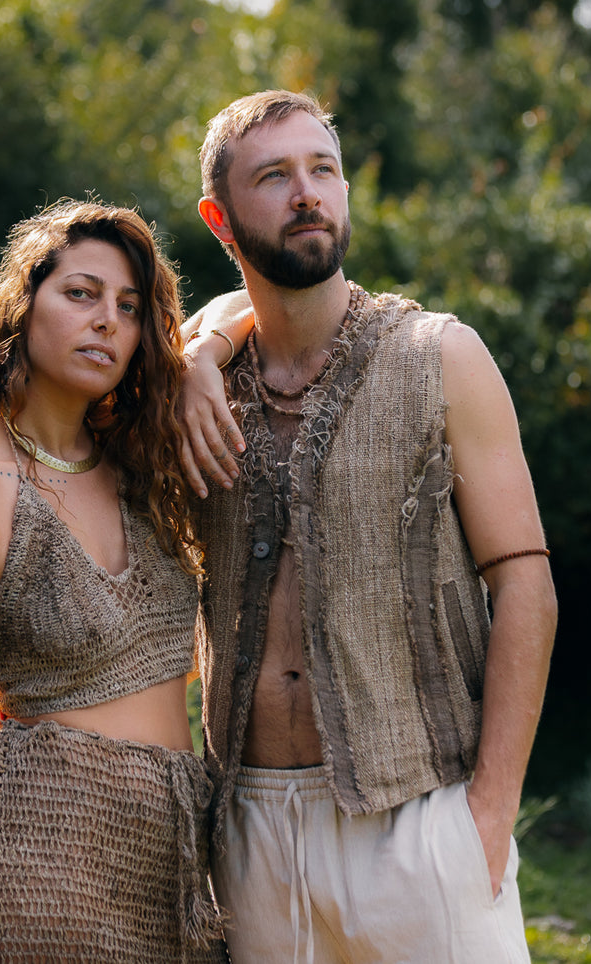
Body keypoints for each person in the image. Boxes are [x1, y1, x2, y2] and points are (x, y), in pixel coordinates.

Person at [178, 90, 558, 963]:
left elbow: (526, 583)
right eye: (273, 177)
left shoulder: (442, 357)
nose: (307, 192)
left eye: (323, 169)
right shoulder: (193, 392)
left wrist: (487, 816)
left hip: (419, 822)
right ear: (220, 217)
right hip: (246, 835)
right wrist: (198, 353)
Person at [0, 199, 227, 964]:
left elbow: (250, 305)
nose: (106, 320)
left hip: (183, 859)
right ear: (22, 304)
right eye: (80, 293)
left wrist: (203, 355)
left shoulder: (139, 465)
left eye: (128, 307)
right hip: (50, 865)